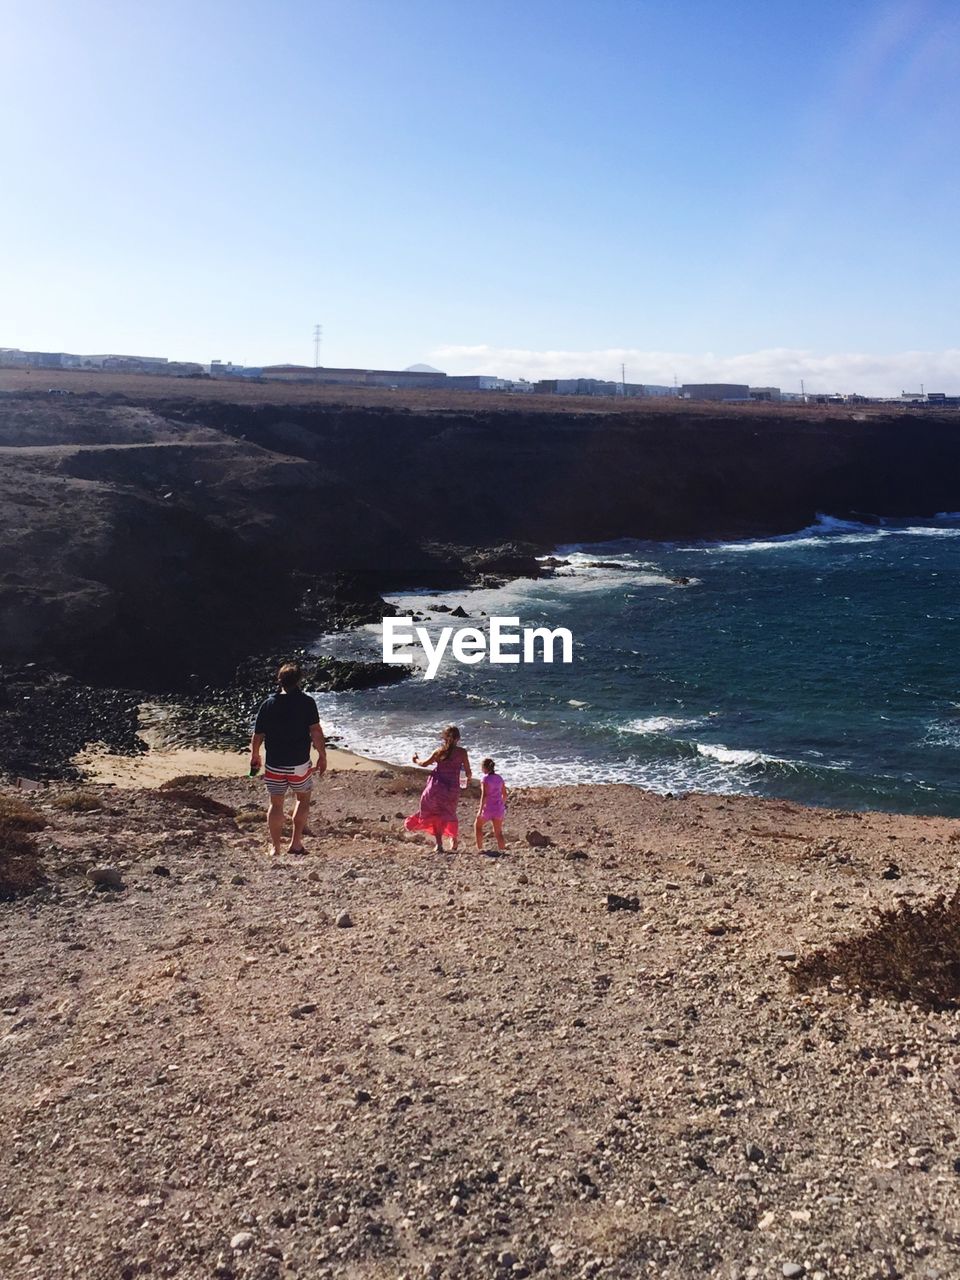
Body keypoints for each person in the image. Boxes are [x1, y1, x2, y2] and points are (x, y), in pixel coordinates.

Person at [249, 662, 326, 856]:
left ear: (279, 680)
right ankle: (296, 843)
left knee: (276, 804)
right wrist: (322, 756)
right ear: (299, 680)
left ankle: (275, 847)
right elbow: (315, 731)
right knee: (303, 799)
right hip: (299, 764)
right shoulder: (307, 702)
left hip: (275, 763)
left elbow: (258, 734)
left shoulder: (268, 704)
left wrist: (255, 755)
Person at [404, 725, 472, 852]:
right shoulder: (462, 753)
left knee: (435, 815)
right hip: (452, 789)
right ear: (458, 738)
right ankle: (453, 839)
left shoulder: (439, 752)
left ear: (443, 738)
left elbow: (424, 764)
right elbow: (468, 772)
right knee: (449, 813)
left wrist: (415, 760)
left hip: (436, 788)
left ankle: (439, 844)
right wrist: (466, 782)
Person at [475, 757, 508, 853]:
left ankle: (480, 849)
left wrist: (480, 811)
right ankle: (503, 850)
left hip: (488, 808)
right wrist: (502, 804)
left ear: (485, 768)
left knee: (477, 826)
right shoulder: (499, 778)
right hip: (498, 808)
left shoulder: (485, 779)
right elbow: (505, 794)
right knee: (498, 832)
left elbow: (484, 796)